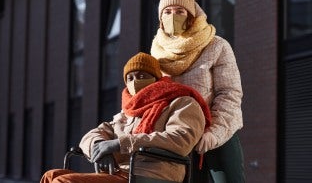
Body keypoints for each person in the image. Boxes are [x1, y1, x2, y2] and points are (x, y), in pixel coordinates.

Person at [40, 52, 211, 183]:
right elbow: (93, 134)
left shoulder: (181, 102)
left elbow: (181, 139)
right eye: (130, 78)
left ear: (157, 79)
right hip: (120, 172)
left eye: (142, 76)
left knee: (64, 182)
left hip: (153, 173)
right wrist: (99, 147)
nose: (135, 82)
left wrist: (120, 144)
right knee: (51, 176)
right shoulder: (127, 113)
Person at [150, 0, 245, 182]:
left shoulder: (216, 46)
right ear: (160, 17)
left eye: (180, 10)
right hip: (179, 139)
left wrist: (214, 133)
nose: (172, 16)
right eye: (167, 11)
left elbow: (230, 93)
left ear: (192, 15)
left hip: (216, 136)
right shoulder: (157, 54)